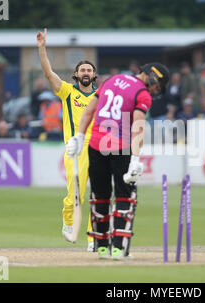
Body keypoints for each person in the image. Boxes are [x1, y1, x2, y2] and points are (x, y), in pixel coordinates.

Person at [66, 62, 170, 260]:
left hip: (96, 144)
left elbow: (90, 110)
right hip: (120, 146)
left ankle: (102, 247)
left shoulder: (111, 80)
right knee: (125, 196)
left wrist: (78, 137)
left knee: (100, 196)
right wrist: (135, 159)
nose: (156, 89)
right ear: (152, 75)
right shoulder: (142, 93)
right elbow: (138, 126)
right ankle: (118, 249)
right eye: (158, 84)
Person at [37, 28, 95, 250]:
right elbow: (48, 73)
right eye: (82, 70)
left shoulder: (100, 96)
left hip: (97, 149)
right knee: (76, 194)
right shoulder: (68, 91)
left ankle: (93, 238)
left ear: (94, 74)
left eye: (89, 69)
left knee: (99, 195)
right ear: (77, 74)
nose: (86, 72)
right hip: (76, 150)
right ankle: (69, 220)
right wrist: (42, 48)